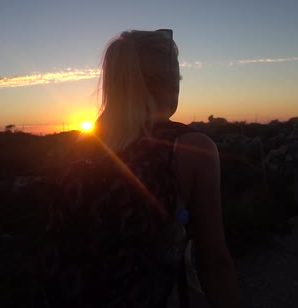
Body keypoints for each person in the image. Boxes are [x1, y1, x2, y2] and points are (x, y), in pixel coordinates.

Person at [43, 29, 241, 308]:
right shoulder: (191, 148)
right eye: (177, 78)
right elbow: (215, 262)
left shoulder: (80, 148)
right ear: (170, 84)